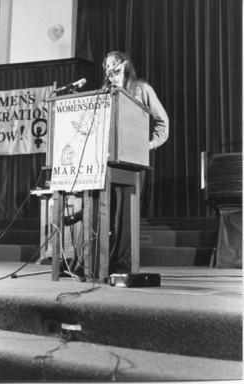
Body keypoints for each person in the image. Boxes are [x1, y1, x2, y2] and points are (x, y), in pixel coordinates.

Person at [102, 51, 169, 274]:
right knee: (105, 213)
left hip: (132, 162)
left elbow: (162, 121)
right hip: (107, 162)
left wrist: (149, 144)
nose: (109, 68)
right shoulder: (106, 93)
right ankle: (101, 262)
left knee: (124, 216)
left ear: (124, 65)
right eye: (106, 65)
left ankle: (122, 264)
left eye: (113, 63)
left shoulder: (141, 89)